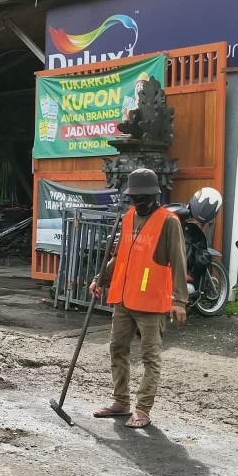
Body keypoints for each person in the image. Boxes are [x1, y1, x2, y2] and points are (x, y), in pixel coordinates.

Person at [88, 168, 188, 429]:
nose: (138, 202)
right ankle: (121, 402)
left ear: (156, 195)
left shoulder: (169, 222)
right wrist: (101, 279)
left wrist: (179, 301)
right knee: (117, 349)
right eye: (134, 197)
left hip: (152, 301)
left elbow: (179, 262)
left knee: (150, 357)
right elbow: (120, 256)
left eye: (143, 197)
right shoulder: (129, 217)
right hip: (123, 297)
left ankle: (143, 409)